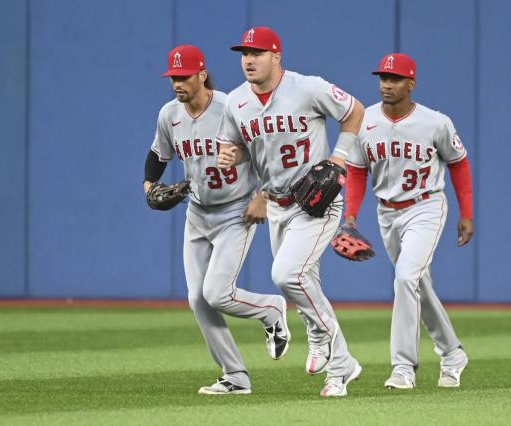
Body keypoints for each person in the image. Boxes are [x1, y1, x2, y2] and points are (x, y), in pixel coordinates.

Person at [216, 26, 364, 397]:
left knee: (286, 275)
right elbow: (237, 147)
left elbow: (354, 111)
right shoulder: (235, 101)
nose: (249, 59)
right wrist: (232, 156)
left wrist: (339, 157)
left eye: (257, 53)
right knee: (306, 282)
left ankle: (320, 335)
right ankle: (342, 367)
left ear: (276, 56)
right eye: (244, 53)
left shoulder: (307, 87)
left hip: (318, 202)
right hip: (279, 205)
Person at [143, 44, 291, 395]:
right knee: (197, 298)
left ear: (202, 74)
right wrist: (149, 186)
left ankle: (272, 309)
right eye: (173, 77)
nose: (177, 83)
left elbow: (270, 152)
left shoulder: (233, 107)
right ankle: (235, 377)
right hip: (197, 212)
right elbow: (157, 154)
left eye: (184, 76)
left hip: (236, 212)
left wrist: (264, 195)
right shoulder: (170, 114)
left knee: (217, 293)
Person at [343, 53, 474, 389]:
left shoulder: (435, 122)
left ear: (411, 83)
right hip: (386, 211)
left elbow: (458, 162)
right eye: (383, 78)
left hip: (426, 207)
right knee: (417, 284)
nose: (387, 84)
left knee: (404, 278)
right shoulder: (365, 120)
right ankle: (452, 353)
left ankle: (403, 367)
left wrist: (467, 214)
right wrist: (351, 216)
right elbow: (357, 171)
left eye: (395, 78)